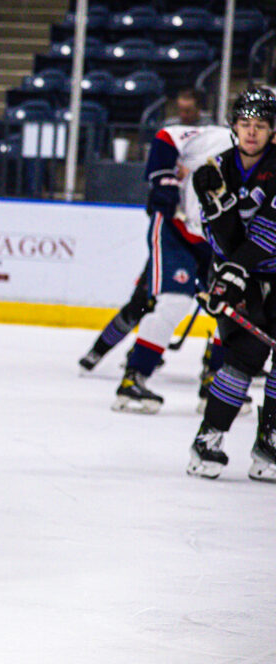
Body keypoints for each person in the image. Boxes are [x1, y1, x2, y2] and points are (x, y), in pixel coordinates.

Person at [94, 123, 233, 413]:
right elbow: (166, 135)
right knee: (173, 302)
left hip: (219, 240)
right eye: (249, 125)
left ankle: (216, 384)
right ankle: (134, 379)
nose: (255, 133)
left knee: (232, 309)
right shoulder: (219, 140)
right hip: (176, 229)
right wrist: (165, 181)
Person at [188, 87, 276, 481]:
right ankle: (208, 441)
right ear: (234, 126)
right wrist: (217, 206)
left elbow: (268, 233)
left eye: (260, 126)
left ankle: (269, 444)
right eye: (245, 124)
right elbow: (221, 240)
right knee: (242, 359)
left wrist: (234, 272)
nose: (252, 132)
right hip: (234, 274)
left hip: (264, 272)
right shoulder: (214, 169)